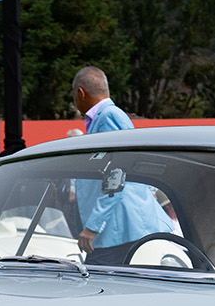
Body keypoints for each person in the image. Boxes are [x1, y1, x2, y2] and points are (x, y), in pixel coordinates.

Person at [69, 65, 171, 255]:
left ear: (80, 93)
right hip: (118, 233)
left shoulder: (108, 117)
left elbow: (117, 172)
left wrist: (93, 226)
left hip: (120, 234)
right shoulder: (106, 117)